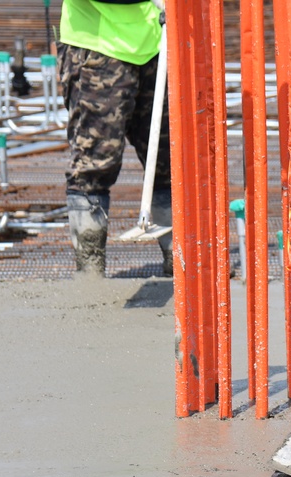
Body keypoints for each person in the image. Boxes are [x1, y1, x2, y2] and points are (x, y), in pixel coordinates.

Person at [58, 0, 173, 277]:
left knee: (171, 161)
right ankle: (90, 275)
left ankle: (180, 262)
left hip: (159, 42)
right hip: (98, 46)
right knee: (95, 164)